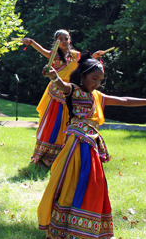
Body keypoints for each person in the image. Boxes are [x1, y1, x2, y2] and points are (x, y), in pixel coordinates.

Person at [37, 53, 146, 239]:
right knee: (76, 181)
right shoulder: (74, 90)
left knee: (93, 183)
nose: (97, 83)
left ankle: (82, 229)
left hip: (90, 144)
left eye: (100, 80)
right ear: (82, 76)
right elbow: (63, 86)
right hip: (77, 145)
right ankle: (67, 230)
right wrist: (53, 75)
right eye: (94, 78)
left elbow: (125, 100)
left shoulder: (98, 96)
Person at [23, 30, 103, 166]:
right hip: (56, 94)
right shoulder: (53, 55)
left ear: (70, 40)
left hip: (70, 93)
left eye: (66, 39)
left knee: (67, 122)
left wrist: (95, 56)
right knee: (53, 123)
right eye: (61, 39)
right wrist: (31, 42)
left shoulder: (76, 55)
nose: (64, 41)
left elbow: (86, 64)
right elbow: (41, 49)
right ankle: (45, 156)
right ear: (56, 42)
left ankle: (65, 154)